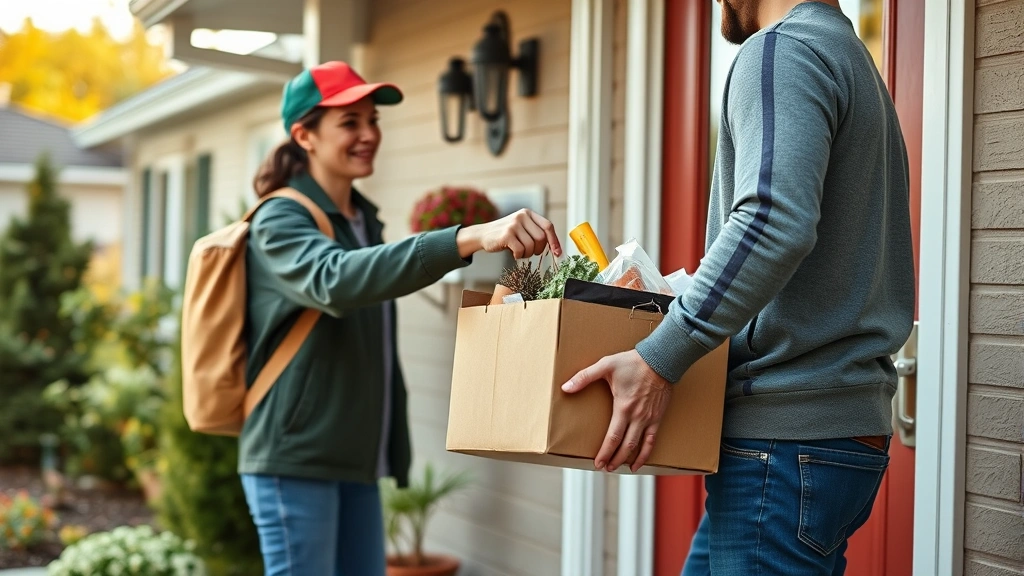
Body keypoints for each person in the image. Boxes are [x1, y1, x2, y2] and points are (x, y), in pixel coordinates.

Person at [563, 1, 914, 574]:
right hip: (826, 438)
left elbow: (773, 218)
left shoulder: (781, 52)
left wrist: (660, 357)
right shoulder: (851, 60)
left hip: (783, 445)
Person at [238, 61, 562, 576]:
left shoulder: (362, 220)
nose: (369, 134)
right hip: (295, 458)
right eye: (349, 123)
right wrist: (468, 238)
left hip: (354, 457)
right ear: (305, 135)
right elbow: (336, 280)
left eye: (373, 120)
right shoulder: (280, 218)